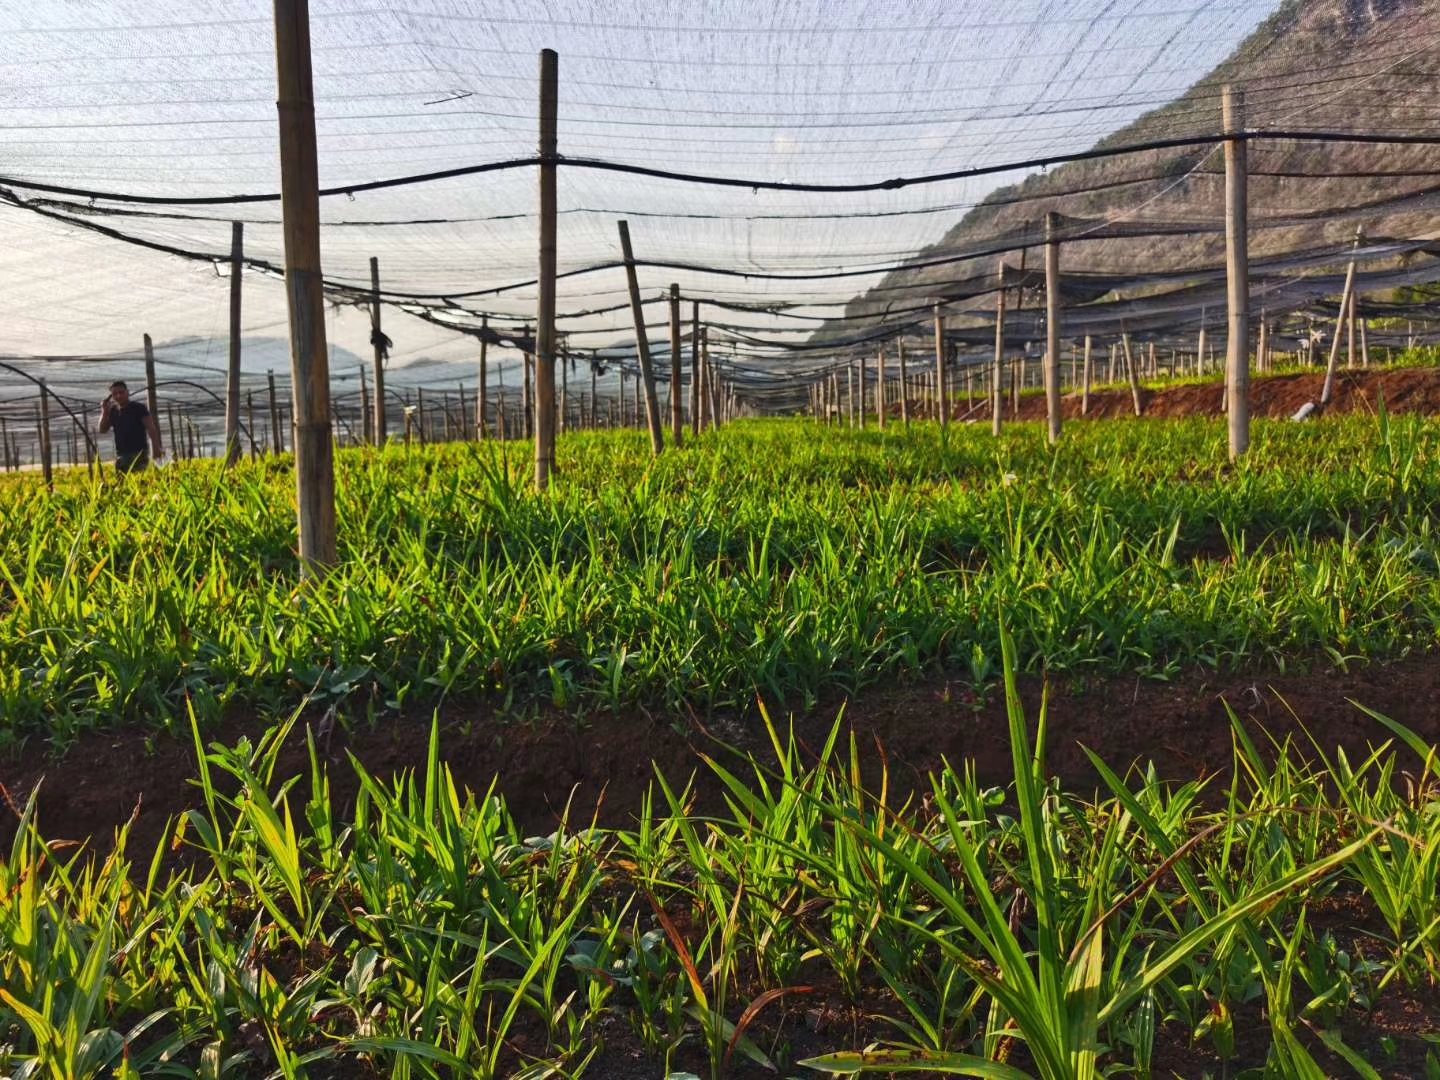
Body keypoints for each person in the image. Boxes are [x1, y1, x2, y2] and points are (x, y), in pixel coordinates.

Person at [98, 380, 164, 474]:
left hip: (139, 454)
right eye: (115, 394)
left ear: (127, 392)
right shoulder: (113, 411)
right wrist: (104, 412)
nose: (118, 396)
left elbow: (151, 428)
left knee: (139, 479)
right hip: (121, 455)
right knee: (122, 480)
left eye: (121, 392)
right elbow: (102, 429)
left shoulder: (138, 408)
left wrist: (156, 448)